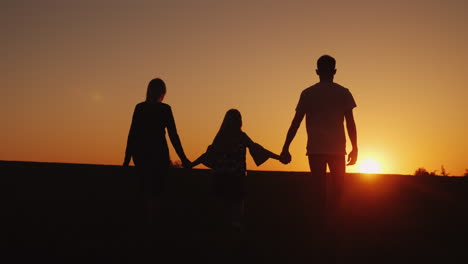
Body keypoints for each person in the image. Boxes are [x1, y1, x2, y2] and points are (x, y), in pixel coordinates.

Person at [280, 55, 358, 222]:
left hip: (316, 150)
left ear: (317, 71)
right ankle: (335, 224)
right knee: (338, 190)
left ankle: (320, 223)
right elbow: (350, 123)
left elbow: (296, 123)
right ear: (335, 71)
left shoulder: (308, 93)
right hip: (337, 150)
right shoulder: (343, 93)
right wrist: (355, 147)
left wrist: (286, 146)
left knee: (318, 191)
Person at [191, 109, 286, 231]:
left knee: (222, 207)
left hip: (220, 177)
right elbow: (257, 149)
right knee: (236, 206)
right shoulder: (241, 137)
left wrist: (191, 164)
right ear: (240, 121)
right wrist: (278, 157)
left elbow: (208, 155)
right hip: (236, 177)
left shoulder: (220, 138)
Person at [123, 78, 191, 229]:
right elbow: (174, 136)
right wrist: (184, 159)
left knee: (145, 189)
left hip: (141, 155)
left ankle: (145, 224)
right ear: (163, 93)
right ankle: (153, 224)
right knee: (157, 192)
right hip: (158, 154)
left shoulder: (140, 108)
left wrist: (126, 160)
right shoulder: (165, 109)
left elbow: (132, 135)